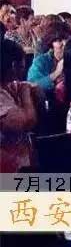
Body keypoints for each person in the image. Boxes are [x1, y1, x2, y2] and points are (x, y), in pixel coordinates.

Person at [1, 39, 39, 172]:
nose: (24, 70)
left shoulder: (8, 85)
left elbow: (36, 89)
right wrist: (25, 95)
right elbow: (27, 122)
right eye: (23, 66)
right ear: (13, 66)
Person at [27, 21, 71, 93]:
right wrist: (56, 73)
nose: (65, 43)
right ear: (51, 43)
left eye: (67, 39)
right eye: (59, 40)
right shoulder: (40, 61)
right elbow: (30, 86)